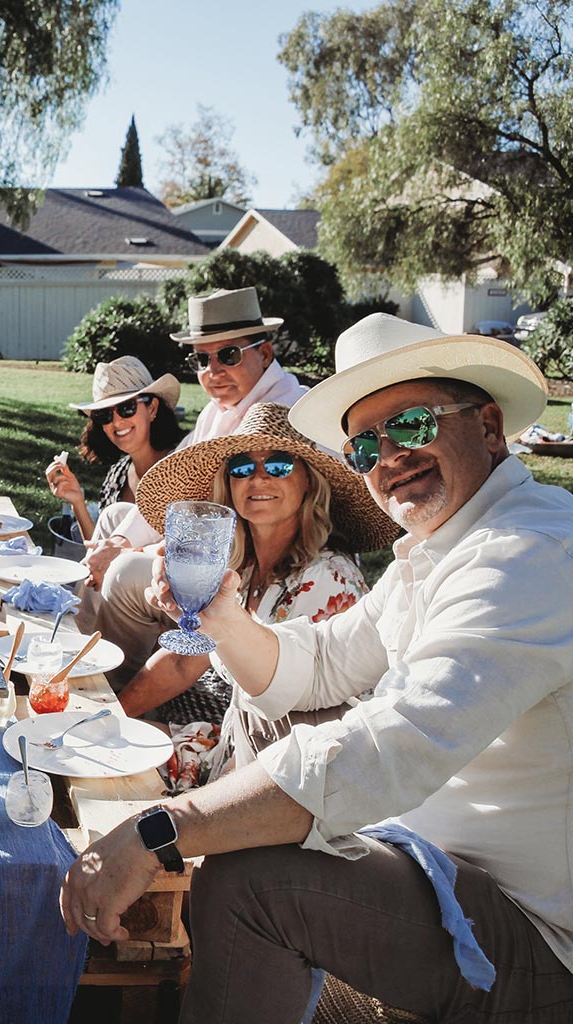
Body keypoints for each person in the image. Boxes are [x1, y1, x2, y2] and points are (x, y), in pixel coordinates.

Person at [60, 314, 573, 1023]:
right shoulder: (440, 549)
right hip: (435, 868)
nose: (388, 455)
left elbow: (396, 743)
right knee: (250, 803)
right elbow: (321, 662)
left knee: (250, 883)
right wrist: (220, 617)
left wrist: (160, 830)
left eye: (415, 425)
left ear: (489, 426)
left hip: (533, 940)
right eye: (365, 443)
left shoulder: (527, 553)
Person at [119, 403, 399, 766]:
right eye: (242, 467)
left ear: (310, 482)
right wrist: (114, 712)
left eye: (279, 465)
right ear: (229, 485)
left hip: (280, 768)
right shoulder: (237, 569)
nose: (259, 478)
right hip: (227, 738)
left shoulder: (328, 580)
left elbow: (312, 730)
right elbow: (183, 661)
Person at [86, 286, 307, 681]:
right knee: (115, 520)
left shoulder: (285, 410)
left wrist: (139, 550)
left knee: (121, 573)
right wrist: (121, 542)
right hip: (206, 546)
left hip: (246, 570)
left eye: (228, 355)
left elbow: (245, 528)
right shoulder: (217, 411)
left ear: (265, 353)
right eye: (201, 359)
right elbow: (171, 484)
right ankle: (82, 646)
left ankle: (108, 688)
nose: (213, 371)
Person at [43, 355, 184, 544]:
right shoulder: (118, 474)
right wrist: (77, 501)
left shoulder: (181, 468)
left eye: (127, 408)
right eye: (104, 414)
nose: (117, 422)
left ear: (152, 409)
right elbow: (101, 550)